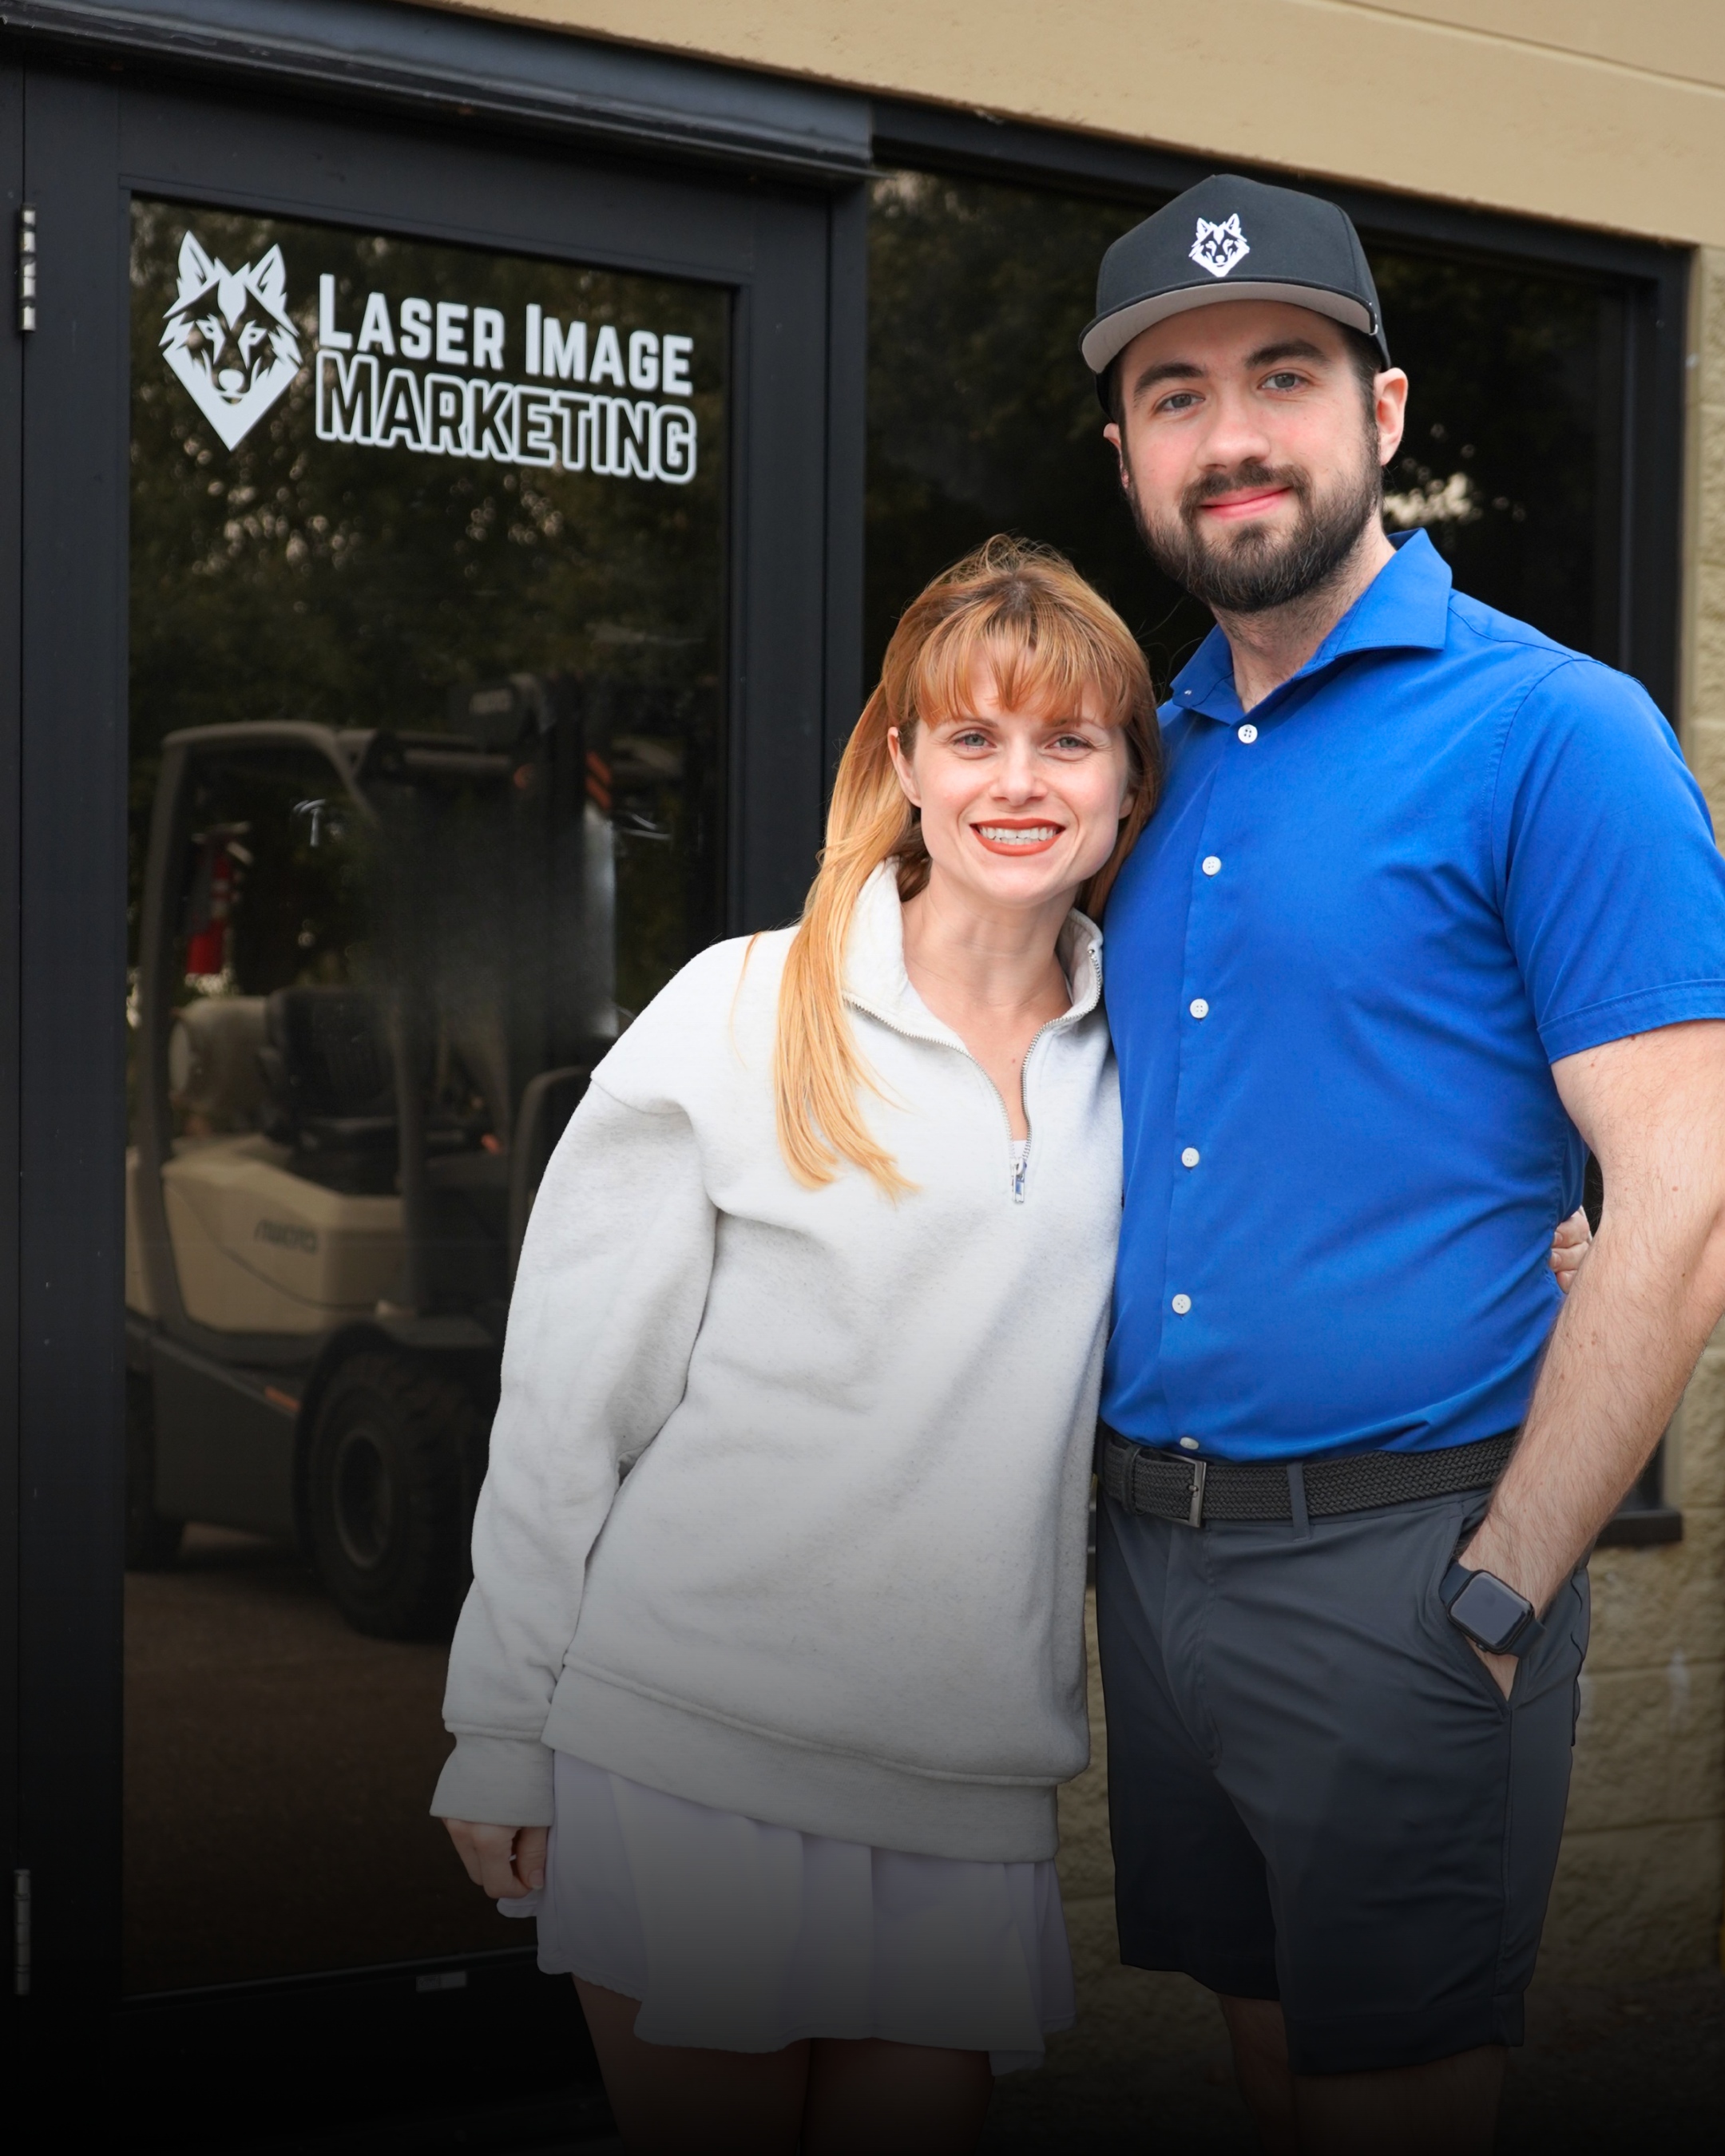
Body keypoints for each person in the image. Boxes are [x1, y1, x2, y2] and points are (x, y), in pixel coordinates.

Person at [1082, 172, 1725, 2154]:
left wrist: (1505, 1586)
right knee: (1269, 2067)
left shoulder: (1556, 733)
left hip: (1406, 1567)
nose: (1233, 435)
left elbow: (1687, 1192)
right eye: (1176, 396)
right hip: (1155, 1561)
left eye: (1283, 375)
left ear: (1382, 412)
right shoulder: (1136, 764)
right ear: (1127, 457)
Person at [431, 539, 1157, 2155]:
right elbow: (567, 1404)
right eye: (972, 737)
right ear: (903, 763)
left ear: (1128, 783)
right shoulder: (743, 1009)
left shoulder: (1154, 1063)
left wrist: (1548, 1244)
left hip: (966, 1782)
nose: (1019, 781)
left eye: (1068, 740)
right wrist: (499, 1725)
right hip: (691, 1751)